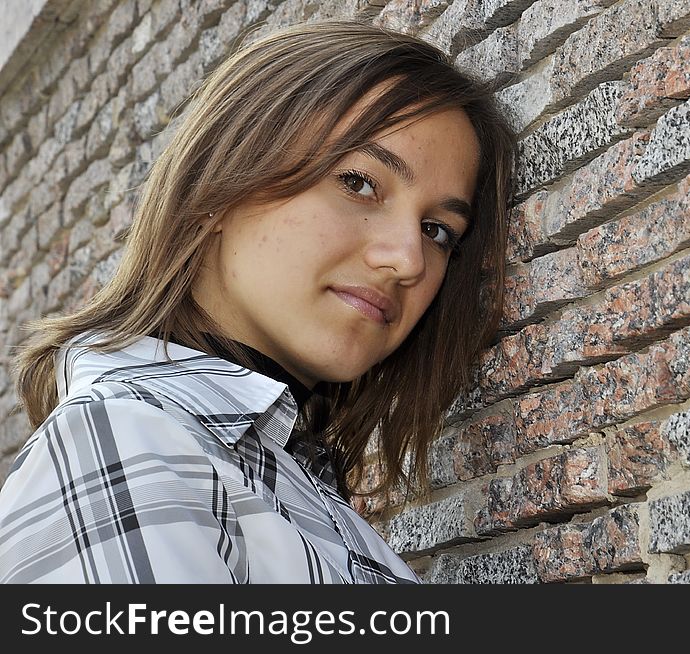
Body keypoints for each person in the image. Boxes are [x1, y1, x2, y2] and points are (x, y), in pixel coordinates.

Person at [0, 20, 515, 583]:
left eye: (438, 230)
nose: (408, 259)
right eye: (360, 183)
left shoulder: (277, 479)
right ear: (219, 186)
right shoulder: (127, 449)